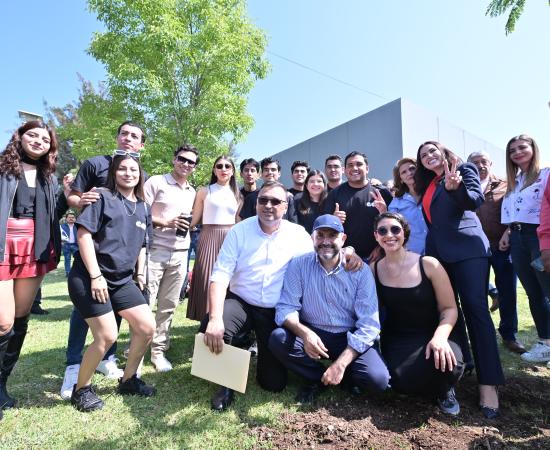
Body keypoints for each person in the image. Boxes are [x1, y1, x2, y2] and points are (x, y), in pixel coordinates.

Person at [201, 182, 362, 411]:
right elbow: (220, 274)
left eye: (275, 201)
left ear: (285, 207)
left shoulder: (297, 235)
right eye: (263, 200)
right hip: (242, 302)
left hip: (276, 311)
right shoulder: (239, 231)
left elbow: (321, 257)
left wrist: (349, 251)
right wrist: (216, 318)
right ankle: (225, 384)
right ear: (255, 204)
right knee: (214, 322)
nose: (268, 205)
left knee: (273, 384)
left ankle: (247, 349)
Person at [415, 140, 503, 419]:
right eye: (423, 155)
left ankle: (489, 384)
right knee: (449, 312)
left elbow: (474, 200)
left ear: (443, 152)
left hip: (468, 250)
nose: (428, 156)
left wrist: (456, 190)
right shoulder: (428, 185)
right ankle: (460, 367)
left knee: (476, 310)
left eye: (432, 150)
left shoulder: (462, 168)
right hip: (439, 255)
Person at [60, 121, 146, 400]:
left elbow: (142, 245)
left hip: (122, 279)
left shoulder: (143, 206)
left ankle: (129, 379)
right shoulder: (101, 196)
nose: (128, 172)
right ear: (112, 171)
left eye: (133, 169)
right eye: (122, 168)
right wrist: (96, 276)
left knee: (146, 327)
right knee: (106, 336)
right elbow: (83, 235)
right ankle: (80, 388)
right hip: (90, 276)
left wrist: (140, 276)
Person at [269, 214, 389, 404]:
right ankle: (315, 378)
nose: (326, 241)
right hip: (314, 332)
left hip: (348, 335)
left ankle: (344, 372)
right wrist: (305, 333)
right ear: (312, 238)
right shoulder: (299, 265)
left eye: (332, 236)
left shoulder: (360, 271)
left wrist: (341, 363)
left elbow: (369, 325)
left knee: (378, 380)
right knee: (278, 339)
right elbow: (286, 307)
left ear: (342, 239)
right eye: (320, 235)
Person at [371, 212, 464, 415]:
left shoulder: (429, 264)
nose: (389, 235)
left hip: (436, 331)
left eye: (395, 229)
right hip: (399, 337)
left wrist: (439, 338)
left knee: (448, 363)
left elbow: (449, 309)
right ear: (376, 236)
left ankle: (444, 391)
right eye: (382, 231)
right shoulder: (374, 269)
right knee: (400, 381)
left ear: (404, 233)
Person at [0, 121, 62, 418]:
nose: (38, 141)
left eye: (45, 139)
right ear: (20, 137)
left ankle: (2, 384)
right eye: (32, 135)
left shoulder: (49, 178)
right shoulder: (3, 168)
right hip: (3, 246)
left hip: (34, 249)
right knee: (2, 321)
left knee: (20, 318)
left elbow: (56, 211)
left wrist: (76, 197)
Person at [144, 144, 198, 371]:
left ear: (195, 167)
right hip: (154, 250)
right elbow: (140, 212)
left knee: (168, 306)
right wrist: (166, 222)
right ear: (173, 159)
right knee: (145, 303)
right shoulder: (156, 182)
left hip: (180, 253)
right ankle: (136, 350)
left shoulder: (192, 191)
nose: (186, 164)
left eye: (191, 162)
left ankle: (158, 352)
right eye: (182, 159)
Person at [499, 135, 550, 364]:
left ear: (533, 149)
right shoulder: (515, 181)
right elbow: (515, 212)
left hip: (540, 236)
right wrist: (507, 233)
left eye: (522, 147)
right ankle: (545, 343)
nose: (517, 153)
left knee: (548, 289)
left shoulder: (546, 174)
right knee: (534, 293)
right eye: (512, 150)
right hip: (517, 238)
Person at [467, 151, 523, 354]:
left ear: (491, 163)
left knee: (507, 291)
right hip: (474, 248)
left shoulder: (506, 183)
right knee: (477, 293)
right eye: (475, 162)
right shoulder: (464, 186)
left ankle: (509, 335)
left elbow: (517, 211)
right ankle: (482, 335)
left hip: (503, 245)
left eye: (484, 161)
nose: (480, 165)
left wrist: (508, 231)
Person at [186, 156, 241, 321]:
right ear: (214, 170)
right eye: (219, 166)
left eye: (227, 166)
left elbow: (239, 222)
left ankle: (224, 321)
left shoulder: (238, 195)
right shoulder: (204, 191)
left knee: (229, 281)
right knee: (206, 280)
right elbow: (194, 219)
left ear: (232, 171)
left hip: (230, 239)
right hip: (208, 238)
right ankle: (205, 322)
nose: (223, 169)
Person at [324, 151, 393, 260]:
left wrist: (381, 247)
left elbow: (395, 227)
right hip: (345, 257)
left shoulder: (382, 192)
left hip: (378, 257)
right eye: (350, 165)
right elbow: (325, 228)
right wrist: (334, 219)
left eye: (359, 164)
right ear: (345, 170)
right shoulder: (334, 194)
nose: (354, 168)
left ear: (367, 168)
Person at [388, 157, 428, 255]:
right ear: (401, 179)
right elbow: (394, 231)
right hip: (413, 254)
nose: (409, 173)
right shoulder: (396, 203)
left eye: (412, 169)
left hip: (439, 251)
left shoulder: (432, 193)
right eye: (404, 172)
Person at [238, 157, 297, 222]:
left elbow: (293, 222)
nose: (270, 172)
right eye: (266, 170)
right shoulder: (251, 198)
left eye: (273, 169)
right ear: (261, 174)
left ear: (279, 173)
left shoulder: (288, 197)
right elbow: (247, 224)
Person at [61, 211, 79, 276]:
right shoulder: (62, 226)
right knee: (67, 259)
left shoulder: (78, 226)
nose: (71, 218)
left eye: (73, 217)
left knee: (78, 259)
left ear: (75, 219)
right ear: (66, 218)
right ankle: (68, 272)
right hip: (66, 245)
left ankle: (77, 272)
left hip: (76, 245)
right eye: (69, 217)